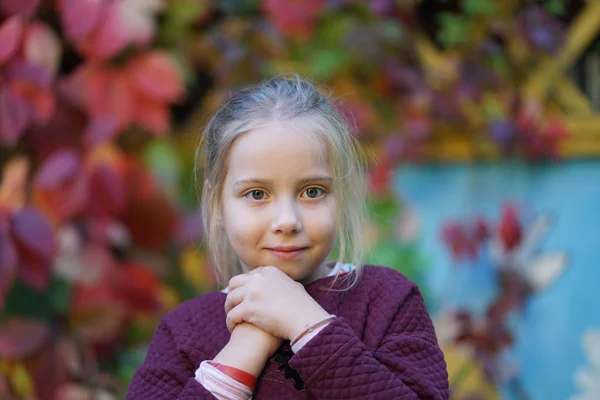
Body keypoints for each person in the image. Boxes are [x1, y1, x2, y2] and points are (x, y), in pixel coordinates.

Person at [126, 76, 449, 399]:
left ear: (342, 196)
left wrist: (306, 324)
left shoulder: (387, 301)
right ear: (217, 204)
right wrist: (242, 352)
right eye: (256, 193)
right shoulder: (184, 332)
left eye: (312, 191)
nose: (287, 221)